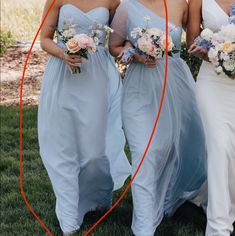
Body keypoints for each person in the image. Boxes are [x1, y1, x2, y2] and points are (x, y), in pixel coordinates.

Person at [110, 0, 207, 235]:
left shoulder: (180, 5)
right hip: (139, 87)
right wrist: (134, 54)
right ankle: (144, 227)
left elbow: (197, 37)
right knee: (145, 152)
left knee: (173, 148)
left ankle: (166, 200)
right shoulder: (126, 8)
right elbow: (114, 47)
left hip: (175, 85)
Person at [38, 0, 131, 234]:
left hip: (97, 77)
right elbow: (44, 39)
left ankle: (96, 198)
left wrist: (133, 45)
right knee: (63, 148)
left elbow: (119, 39)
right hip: (63, 75)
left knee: (94, 152)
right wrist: (64, 53)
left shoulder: (113, 1)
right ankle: (69, 215)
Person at [187, 0, 235, 235]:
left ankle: (227, 205)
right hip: (212, 81)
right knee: (219, 146)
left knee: (233, 153)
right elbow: (192, 40)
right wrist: (220, 57)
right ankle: (218, 226)